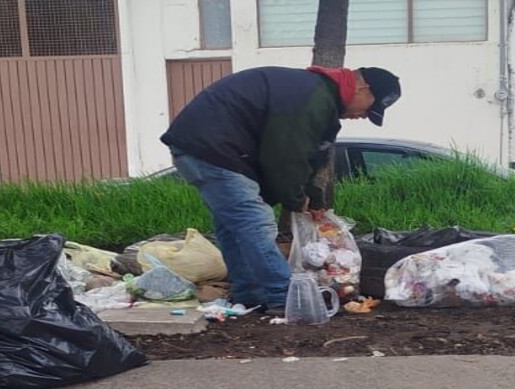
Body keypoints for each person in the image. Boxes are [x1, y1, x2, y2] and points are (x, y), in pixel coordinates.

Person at [161, 65, 401, 314]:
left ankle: (249, 294)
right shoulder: (312, 97)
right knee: (254, 221)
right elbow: (284, 155)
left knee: (234, 225)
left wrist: (311, 195)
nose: (363, 115)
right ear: (362, 87)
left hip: (203, 147)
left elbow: (300, 153)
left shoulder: (316, 94)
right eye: (369, 107)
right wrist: (296, 198)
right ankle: (283, 295)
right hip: (214, 148)